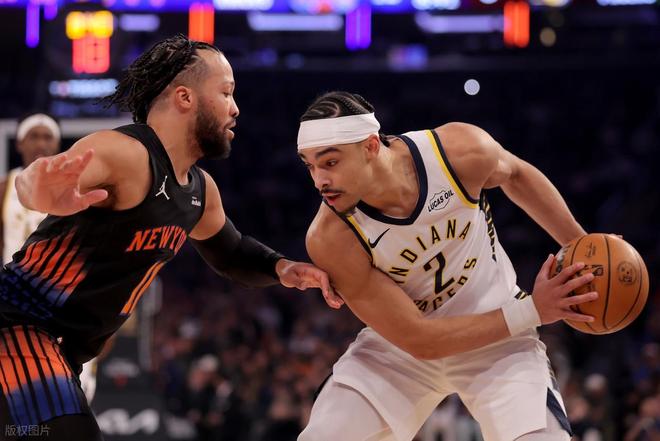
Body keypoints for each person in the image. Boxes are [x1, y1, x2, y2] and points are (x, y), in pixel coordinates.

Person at [0, 35, 334, 441]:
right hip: (18, 324)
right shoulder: (123, 153)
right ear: (184, 97)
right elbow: (35, 181)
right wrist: (37, 190)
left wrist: (282, 268)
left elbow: (231, 251)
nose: (235, 108)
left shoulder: (199, 191)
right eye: (226, 92)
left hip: (65, 350)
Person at [296, 91, 599, 441]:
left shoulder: (455, 153)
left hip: (499, 336)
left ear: (371, 146)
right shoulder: (330, 237)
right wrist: (533, 310)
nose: (319, 181)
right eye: (310, 166)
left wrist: (583, 247)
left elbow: (516, 175)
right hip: (400, 352)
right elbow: (420, 340)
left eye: (330, 162)